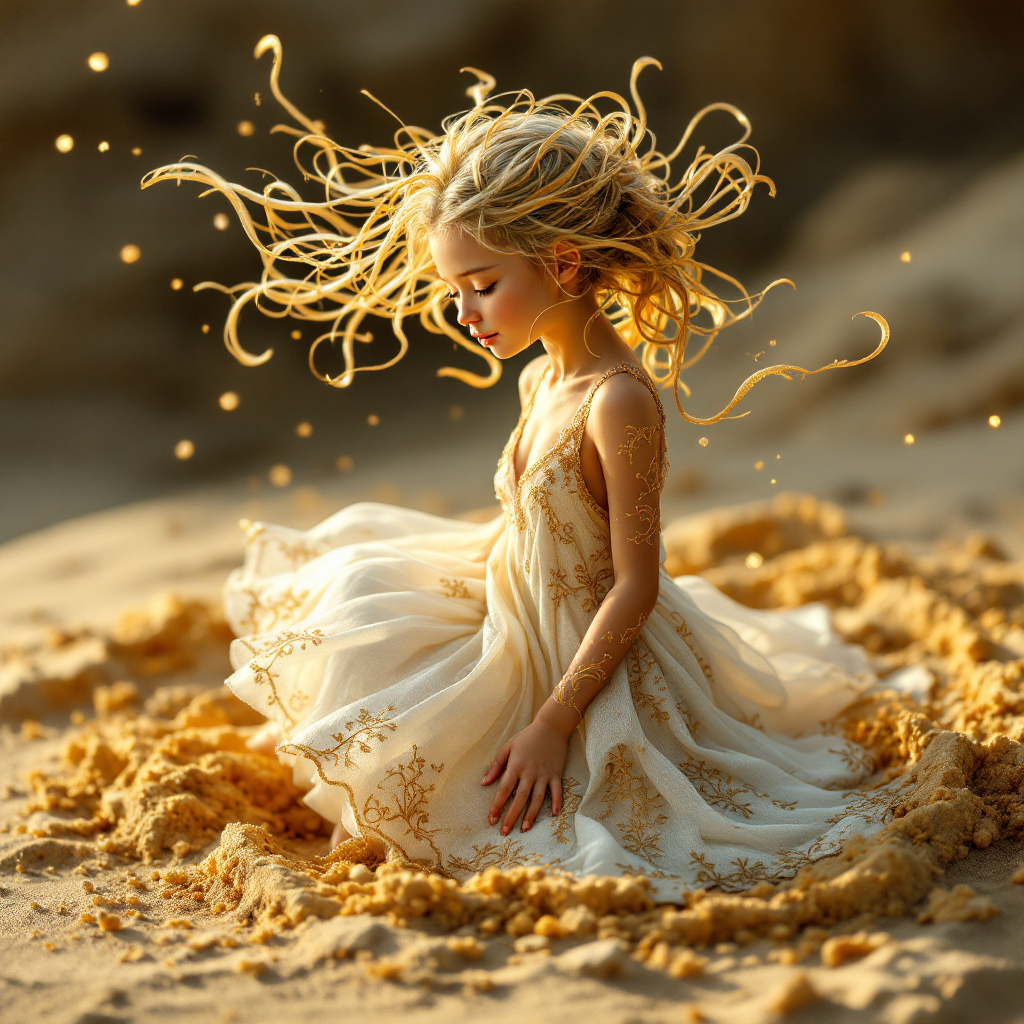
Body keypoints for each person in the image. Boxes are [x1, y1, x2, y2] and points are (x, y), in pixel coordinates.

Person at [144, 37, 889, 898]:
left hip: (582, 653)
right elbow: (541, 526)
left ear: (563, 263)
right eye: (457, 289)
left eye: (482, 284)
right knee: (359, 590)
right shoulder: (541, 376)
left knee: (555, 812)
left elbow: (634, 586)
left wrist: (551, 722)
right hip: (515, 605)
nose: (463, 312)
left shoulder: (618, 403)